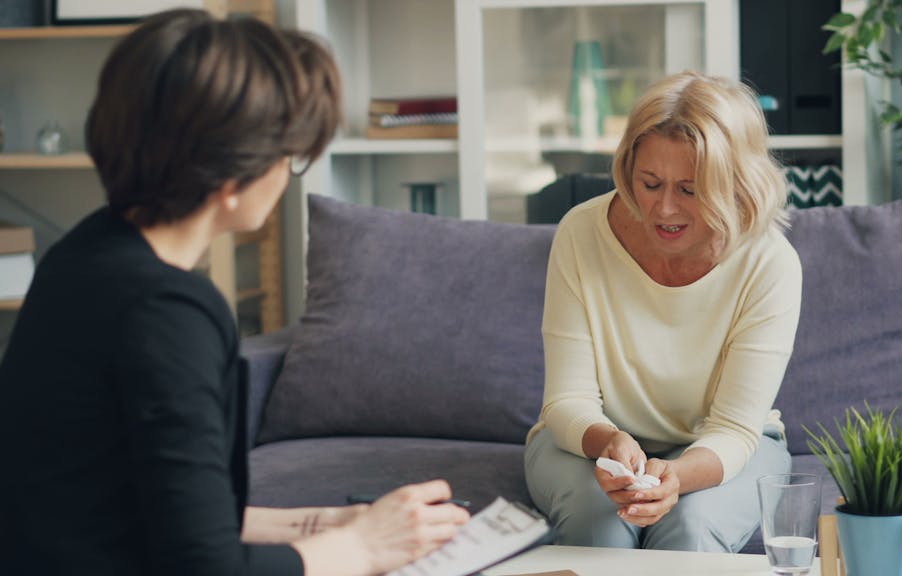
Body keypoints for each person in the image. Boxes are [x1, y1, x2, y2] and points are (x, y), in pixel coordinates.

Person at [0, 9, 468, 576]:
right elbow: (206, 565)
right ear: (230, 178)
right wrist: (365, 550)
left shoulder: (84, 253)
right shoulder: (167, 313)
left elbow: (168, 514)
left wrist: (338, 525)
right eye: (288, 155)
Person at [524, 71, 802, 552]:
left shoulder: (769, 262)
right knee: (600, 523)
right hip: (591, 443)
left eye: (690, 191)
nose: (664, 210)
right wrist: (608, 440)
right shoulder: (581, 233)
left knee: (689, 530)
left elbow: (734, 430)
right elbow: (565, 400)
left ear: (735, 184)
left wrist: (676, 476)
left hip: (726, 447)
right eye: (650, 183)